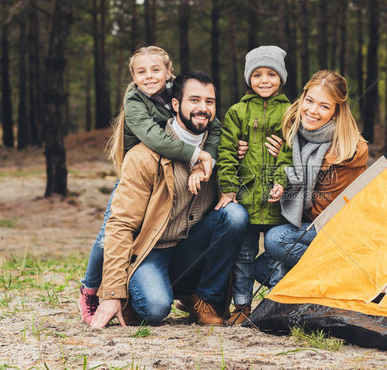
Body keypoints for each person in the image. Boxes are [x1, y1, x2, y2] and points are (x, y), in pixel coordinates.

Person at [88, 71, 249, 328]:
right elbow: (120, 226)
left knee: (235, 215)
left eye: (209, 102)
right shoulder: (144, 156)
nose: (203, 108)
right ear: (175, 105)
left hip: (192, 250)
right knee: (154, 309)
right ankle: (135, 292)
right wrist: (112, 293)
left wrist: (265, 150)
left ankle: (204, 300)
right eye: (194, 100)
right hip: (152, 251)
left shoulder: (221, 151)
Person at [261, 69, 369, 285]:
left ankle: (340, 276)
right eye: (309, 100)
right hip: (310, 227)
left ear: (336, 112)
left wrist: (317, 167)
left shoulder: (347, 149)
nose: (312, 110)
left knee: (276, 240)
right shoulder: (295, 133)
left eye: (324, 106)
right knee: (260, 267)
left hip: (338, 230)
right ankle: (307, 291)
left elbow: (325, 215)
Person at [215, 46, 292, 325]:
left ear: (281, 78)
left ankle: (277, 305)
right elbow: (226, 152)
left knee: (276, 255)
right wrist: (229, 188)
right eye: (257, 74)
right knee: (244, 255)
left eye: (271, 74)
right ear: (249, 79)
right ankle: (242, 306)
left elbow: (290, 152)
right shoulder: (237, 111)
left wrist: (282, 182)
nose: (264, 80)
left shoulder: (290, 111)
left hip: (275, 198)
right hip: (247, 196)